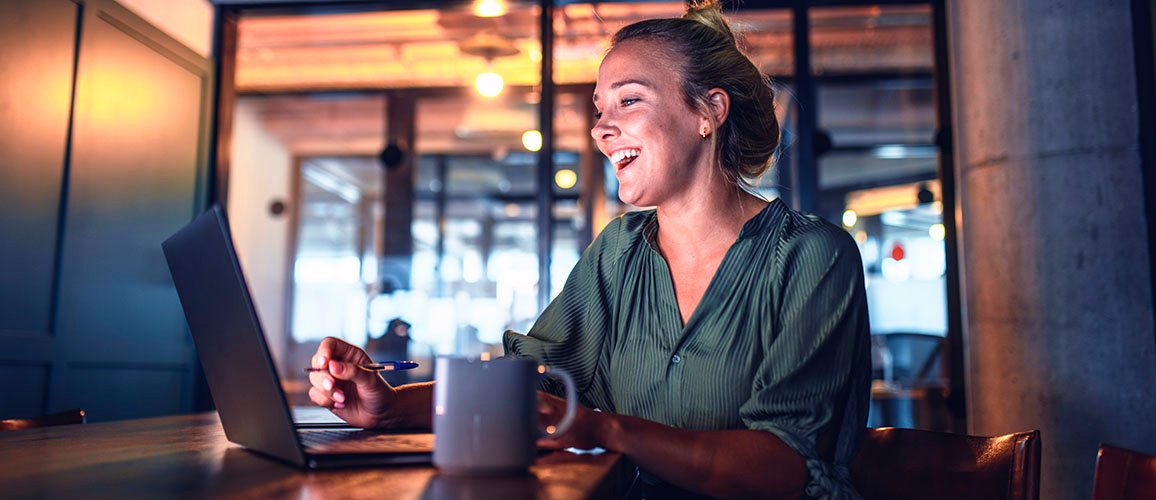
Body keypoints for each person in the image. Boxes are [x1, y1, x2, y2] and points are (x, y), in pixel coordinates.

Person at [308, 2, 870, 498]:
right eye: (601, 109)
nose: (603, 129)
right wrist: (390, 404)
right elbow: (533, 380)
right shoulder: (618, 253)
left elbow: (786, 467)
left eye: (629, 101)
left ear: (709, 112)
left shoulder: (812, 257)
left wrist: (601, 427)